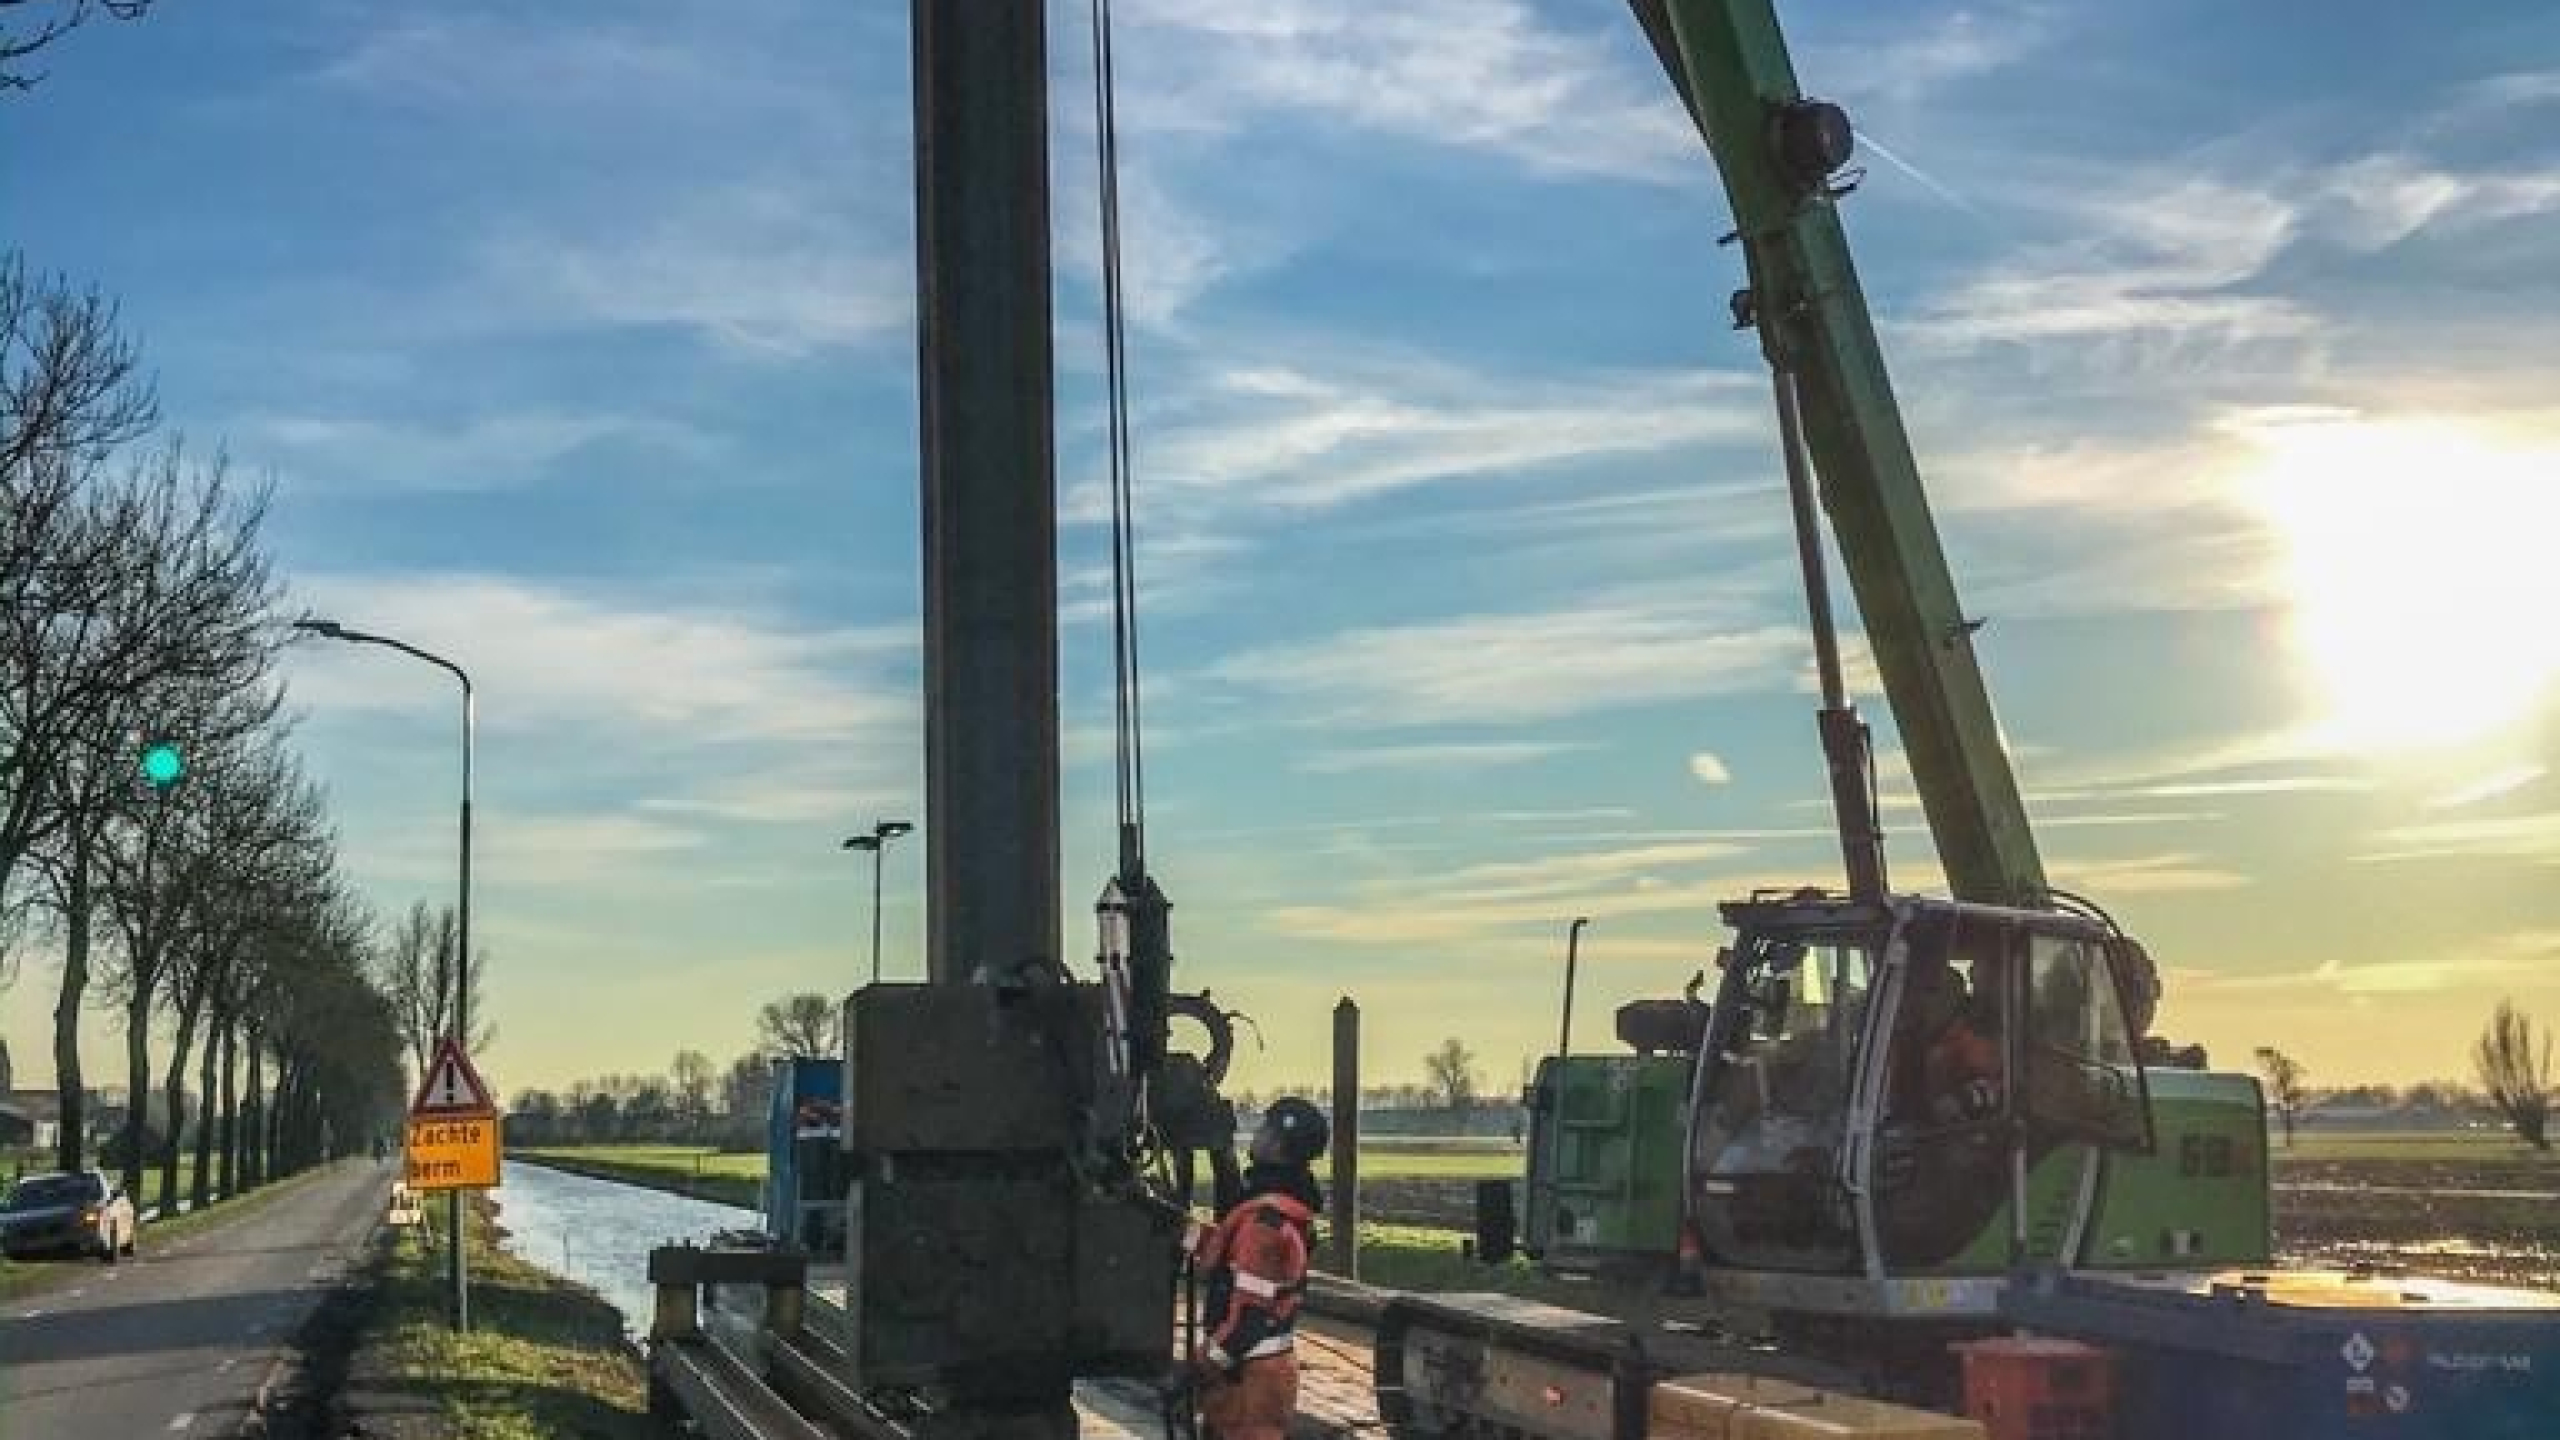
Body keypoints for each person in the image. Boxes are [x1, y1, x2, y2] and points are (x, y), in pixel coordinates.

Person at [1180, 1097, 1327, 1440]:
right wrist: (1172, 1226)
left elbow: (1248, 1323)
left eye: (1263, 1128)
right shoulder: (1270, 1212)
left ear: (1277, 1144)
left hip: (1250, 1390)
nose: (1256, 1135)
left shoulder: (1266, 1226)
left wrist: (1195, 1369)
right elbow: (1225, 1249)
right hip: (1248, 1382)